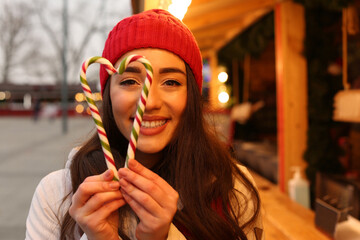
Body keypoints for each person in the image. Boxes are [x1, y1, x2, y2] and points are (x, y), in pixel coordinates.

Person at [26, 9, 263, 240]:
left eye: (171, 82)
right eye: (129, 81)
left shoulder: (233, 188)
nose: (149, 102)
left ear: (191, 96)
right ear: (108, 95)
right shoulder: (58, 194)